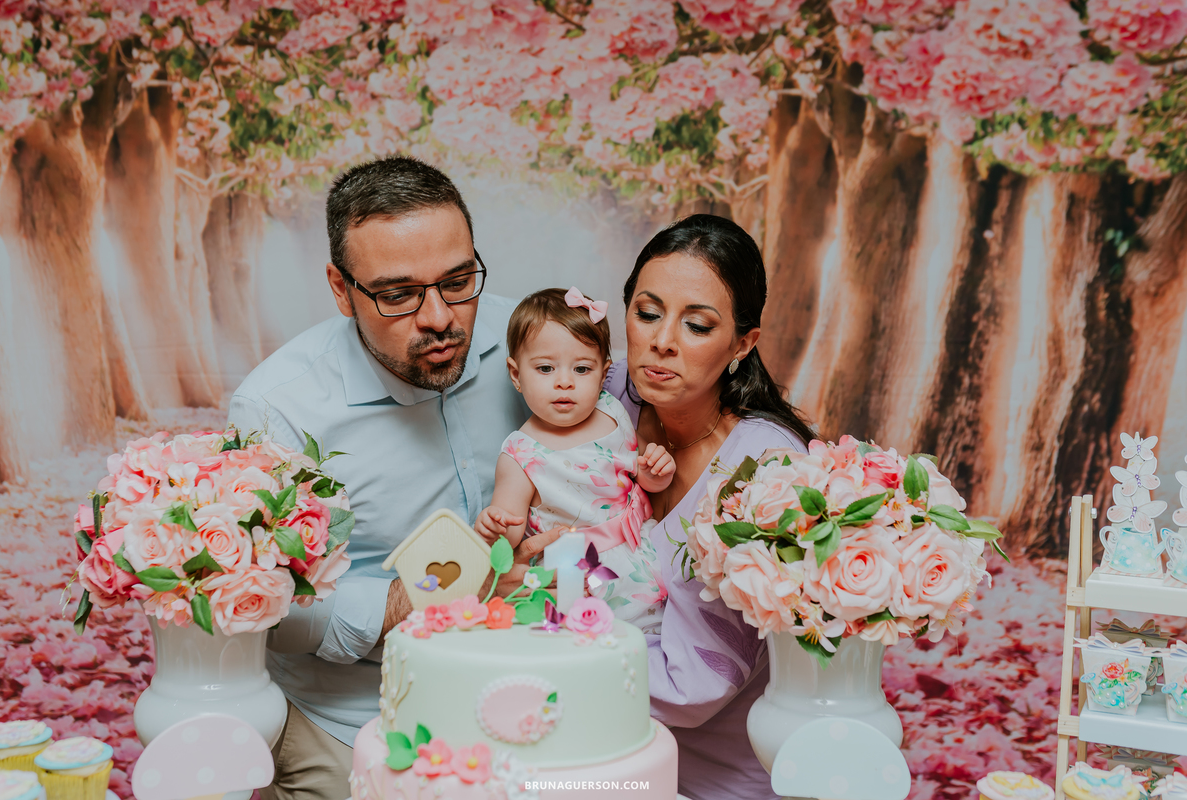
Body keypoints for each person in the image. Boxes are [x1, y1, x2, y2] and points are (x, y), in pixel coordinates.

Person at [227, 156, 558, 800]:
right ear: (340, 287)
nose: (439, 318)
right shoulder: (278, 409)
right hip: (350, 724)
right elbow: (266, 609)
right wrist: (426, 597)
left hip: (527, 693)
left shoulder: (528, 342)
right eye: (398, 294)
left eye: (459, 281)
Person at [603, 214, 814, 800]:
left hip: (716, 777)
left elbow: (691, 690)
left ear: (742, 345)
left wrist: (551, 628)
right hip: (602, 747)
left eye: (696, 325)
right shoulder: (604, 397)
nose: (662, 340)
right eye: (646, 313)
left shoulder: (766, 475)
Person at [474, 287, 675, 630]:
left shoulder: (613, 411)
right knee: (591, 648)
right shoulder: (520, 454)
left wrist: (656, 473)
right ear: (516, 374)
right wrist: (495, 528)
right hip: (575, 577)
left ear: (603, 373)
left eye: (582, 369)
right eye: (546, 368)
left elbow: (640, 476)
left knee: (654, 642)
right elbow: (510, 534)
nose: (565, 382)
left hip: (641, 552)